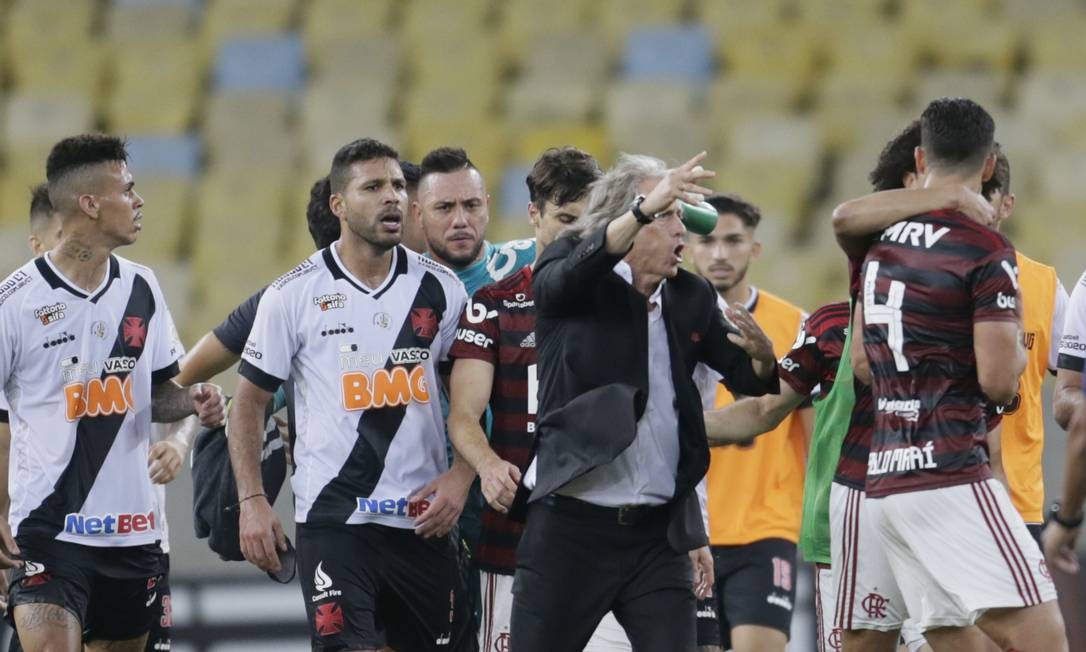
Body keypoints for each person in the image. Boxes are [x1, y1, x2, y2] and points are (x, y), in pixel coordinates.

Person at [510, 152, 779, 651]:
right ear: (631, 221)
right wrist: (636, 214)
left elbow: (753, 380)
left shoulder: (691, 295)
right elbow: (558, 285)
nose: (684, 234)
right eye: (670, 217)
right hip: (571, 528)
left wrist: (763, 359)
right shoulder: (569, 272)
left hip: (657, 536)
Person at [229, 138, 472, 651]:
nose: (393, 199)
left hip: (422, 521)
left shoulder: (442, 288)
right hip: (335, 522)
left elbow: (471, 400)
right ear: (338, 205)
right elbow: (248, 401)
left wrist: (462, 475)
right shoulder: (292, 294)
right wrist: (252, 500)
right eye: (373, 187)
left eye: (399, 187)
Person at [853, 98, 1064, 651]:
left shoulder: (878, 246)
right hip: (951, 474)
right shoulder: (985, 248)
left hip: (886, 477)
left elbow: (859, 364)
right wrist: (1015, 352)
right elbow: (998, 382)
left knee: (951, 635)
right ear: (989, 165)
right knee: (1045, 637)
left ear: (920, 158)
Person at [0, 134, 224, 652]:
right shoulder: (15, 303)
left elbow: (161, 391)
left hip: (136, 535)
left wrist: (193, 402)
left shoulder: (142, 286)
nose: (139, 201)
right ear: (89, 203)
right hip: (49, 534)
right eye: (128, 189)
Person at [448, 147, 636, 651]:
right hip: (514, 533)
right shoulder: (493, 306)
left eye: (589, 220)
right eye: (565, 219)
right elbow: (463, 414)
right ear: (534, 214)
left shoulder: (630, 303)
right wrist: (488, 467)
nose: (578, 233)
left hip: (606, 535)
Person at [688, 193, 810, 652]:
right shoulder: (669, 320)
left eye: (734, 240)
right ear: (689, 247)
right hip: (691, 527)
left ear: (755, 248)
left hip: (765, 527)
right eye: (708, 240)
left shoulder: (794, 325)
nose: (720, 253)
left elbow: (816, 438)